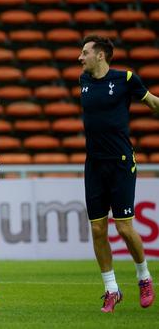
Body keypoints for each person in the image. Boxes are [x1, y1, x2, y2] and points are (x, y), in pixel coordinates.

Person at [78, 34, 158, 313]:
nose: (80, 57)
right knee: (98, 229)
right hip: (94, 165)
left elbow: (152, 103)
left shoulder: (126, 79)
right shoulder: (84, 81)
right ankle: (111, 289)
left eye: (85, 52)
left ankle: (144, 277)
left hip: (121, 162)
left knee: (124, 227)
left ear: (100, 55)